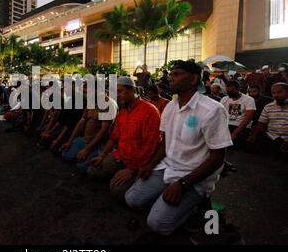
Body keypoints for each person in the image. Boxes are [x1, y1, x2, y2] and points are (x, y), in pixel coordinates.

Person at [125, 60, 233, 236]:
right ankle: (168, 203)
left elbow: (217, 157)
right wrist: (151, 165)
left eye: (176, 74)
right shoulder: (170, 107)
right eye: (170, 74)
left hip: (193, 176)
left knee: (157, 224)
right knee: (132, 199)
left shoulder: (212, 110)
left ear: (193, 79)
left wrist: (182, 184)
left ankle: (197, 209)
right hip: (167, 168)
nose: (170, 78)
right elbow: (165, 143)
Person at [87, 77, 161, 200]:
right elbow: (113, 138)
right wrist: (102, 155)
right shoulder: (124, 111)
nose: (117, 95)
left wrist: (132, 169)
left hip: (139, 163)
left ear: (132, 90)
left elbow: (151, 146)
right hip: (120, 156)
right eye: (115, 92)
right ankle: (118, 174)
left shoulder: (150, 111)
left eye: (120, 91)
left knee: (117, 192)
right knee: (91, 171)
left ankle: (133, 178)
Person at [61, 82, 118, 173]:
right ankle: (80, 153)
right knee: (65, 155)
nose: (86, 94)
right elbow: (81, 122)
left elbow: (104, 130)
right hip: (85, 140)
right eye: (85, 91)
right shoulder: (92, 102)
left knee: (81, 167)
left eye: (89, 91)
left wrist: (87, 149)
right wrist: (69, 141)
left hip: (99, 144)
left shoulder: (108, 104)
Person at [247, 83, 288, 157]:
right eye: (274, 93)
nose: (276, 95)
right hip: (272, 136)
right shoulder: (268, 107)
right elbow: (261, 123)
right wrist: (254, 135)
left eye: (279, 92)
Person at [220, 80, 256, 149]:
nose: (229, 93)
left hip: (241, 126)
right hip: (227, 126)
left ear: (238, 89)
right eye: (227, 91)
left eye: (231, 91)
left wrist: (234, 133)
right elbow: (220, 115)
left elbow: (248, 119)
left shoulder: (249, 100)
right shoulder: (224, 99)